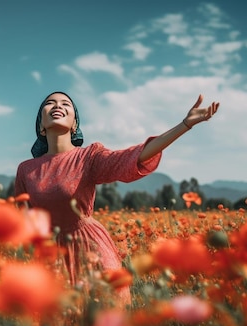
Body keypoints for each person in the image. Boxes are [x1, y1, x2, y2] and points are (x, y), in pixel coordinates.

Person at [14, 91, 219, 305]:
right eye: (50, 103)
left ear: (75, 124)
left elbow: (134, 156)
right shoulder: (26, 170)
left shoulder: (88, 157)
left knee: (106, 325)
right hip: (49, 258)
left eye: (66, 103)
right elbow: (21, 223)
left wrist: (184, 125)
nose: (58, 105)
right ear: (41, 125)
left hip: (91, 249)